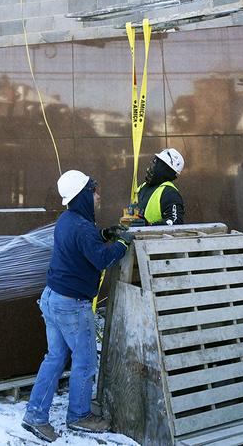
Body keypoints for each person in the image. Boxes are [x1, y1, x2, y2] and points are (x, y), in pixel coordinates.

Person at [22, 170, 133, 442]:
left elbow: (84, 243)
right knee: (84, 361)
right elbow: (101, 259)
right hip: (72, 305)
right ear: (83, 195)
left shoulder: (68, 219)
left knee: (56, 358)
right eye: (93, 191)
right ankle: (79, 416)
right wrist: (120, 243)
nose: (98, 196)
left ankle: (35, 415)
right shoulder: (82, 227)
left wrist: (104, 233)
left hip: (52, 298)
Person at [134, 148, 186, 226]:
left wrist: (149, 225)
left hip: (155, 237)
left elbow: (176, 222)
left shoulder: (169, 193)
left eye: (157, 162)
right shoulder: (142, 187)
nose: (152, 165)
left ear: (165, 168)